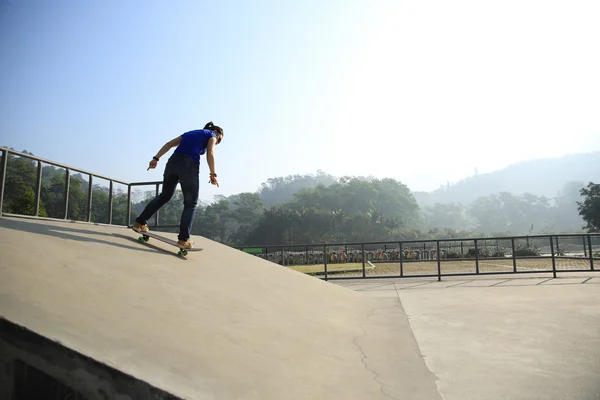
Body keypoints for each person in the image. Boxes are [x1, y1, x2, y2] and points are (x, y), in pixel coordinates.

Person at [133, 121, 224, 248]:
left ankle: (140, 222)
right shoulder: (212, 135)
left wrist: (156, 158)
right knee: (190, 203)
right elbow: (210, 152)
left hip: (173, 163)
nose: (217, 142)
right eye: (219, 141)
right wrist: (213, 174)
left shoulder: (190, 133)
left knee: (164, 196)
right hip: (189, 165)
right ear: (218, 133)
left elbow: (169, 144)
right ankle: (183, 239)